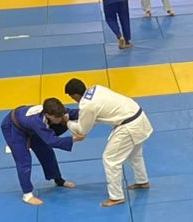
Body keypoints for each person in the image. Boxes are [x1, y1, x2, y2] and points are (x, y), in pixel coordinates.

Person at [64, 79, 152, 207]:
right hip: (138, 115)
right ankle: (142, 181)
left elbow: (82, 130)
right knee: (135, 154)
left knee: (110, 159)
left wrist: (67, 123)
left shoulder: (86, 105)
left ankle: (116, 197)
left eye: (72, 98)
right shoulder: (96, 88)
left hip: (128, 126)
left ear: (75, 95)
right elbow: (97, 116)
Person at [1, 98, 77, 206]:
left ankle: (58, 180)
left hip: (29, 127)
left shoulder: (58, 111)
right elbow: (51, 141)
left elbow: (76, 113)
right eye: (57, 118)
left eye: (61, 115)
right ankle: (27, 195)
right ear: (48, 115)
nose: (61, 119)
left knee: (47, 153)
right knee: (23, 160)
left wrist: (95, 113)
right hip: (13, 127)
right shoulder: (36, 121)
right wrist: (73, 139)